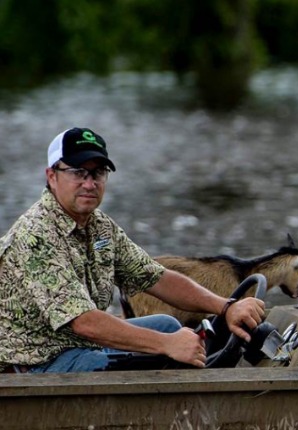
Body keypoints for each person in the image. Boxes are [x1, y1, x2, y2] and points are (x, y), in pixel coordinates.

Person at [0, 127, 265, 373]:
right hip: (35, 364)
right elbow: (84, 322)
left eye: (98, 173)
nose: (90, 184)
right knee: (142, 356)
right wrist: (166, 345)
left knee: (168, 326)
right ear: (52, 176)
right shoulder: (35, 236)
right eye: (78, 172)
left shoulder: (100, 226)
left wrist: (226, 307)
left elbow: (156, 277)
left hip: (78, 343)